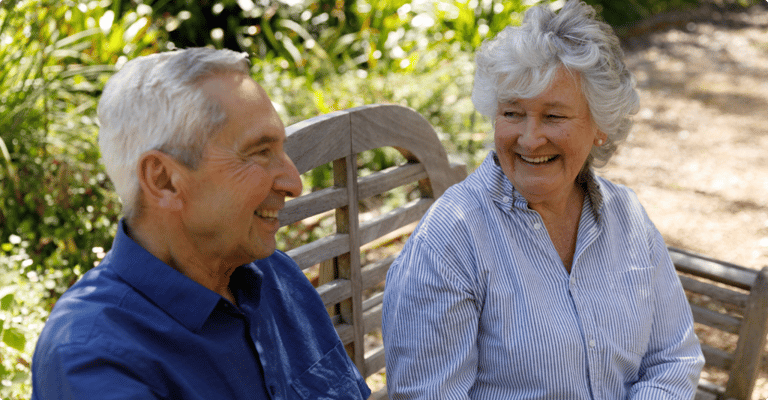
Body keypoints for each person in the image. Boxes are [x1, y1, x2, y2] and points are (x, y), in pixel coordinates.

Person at [382, 1, 704, 399]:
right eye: (513, 113)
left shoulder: (628, 217)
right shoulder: (451, 241)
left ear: (600, 126)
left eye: (554, 117)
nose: (530, 139)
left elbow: (673, 358)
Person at [31, 47, 371, 399]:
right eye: (259, 152)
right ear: (164, 181)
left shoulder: (274, 277)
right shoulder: (94, 357)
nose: (293, 182)